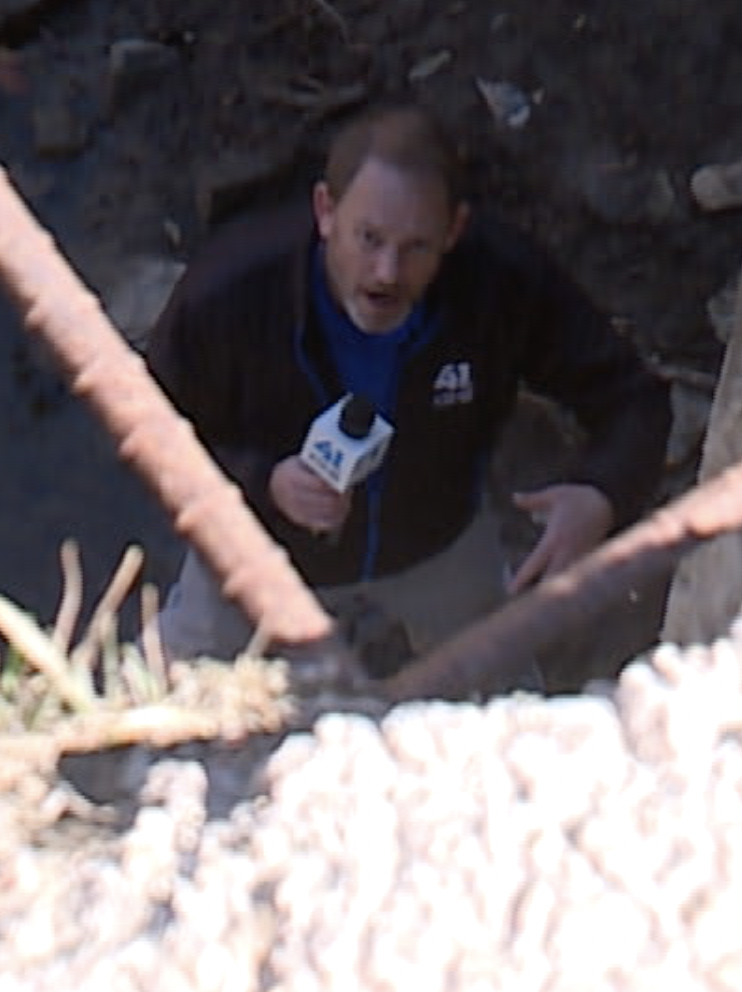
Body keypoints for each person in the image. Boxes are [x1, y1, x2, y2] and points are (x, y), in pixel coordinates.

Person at [145, 103, 670, 681]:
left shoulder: (502, 283)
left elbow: (632, 397)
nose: (386, 273)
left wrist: (602, 493)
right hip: (253, 544)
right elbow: (150, 432)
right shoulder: (233, 290)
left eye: (416, 247)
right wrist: (263, 482)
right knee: (173, 684)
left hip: (436, 542)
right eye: (368, 239)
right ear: (326, 212)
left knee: (501, 691)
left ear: (455, 231)